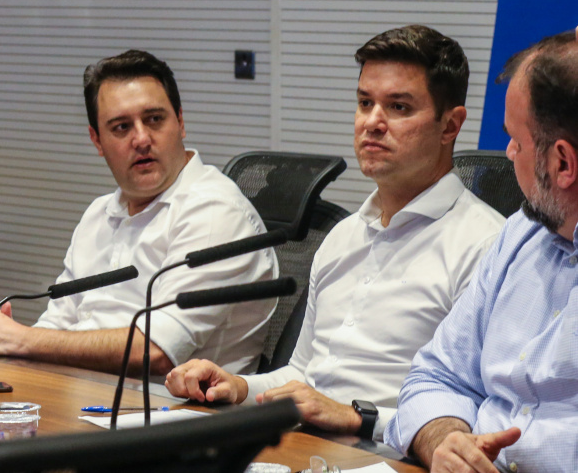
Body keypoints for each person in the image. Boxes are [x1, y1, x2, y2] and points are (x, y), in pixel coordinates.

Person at [164, 25, 506, 442]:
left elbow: (480, 409)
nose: (372, 123)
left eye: (398, 107)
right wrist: (237, 387)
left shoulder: (486, 246)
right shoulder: (344, 235)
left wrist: (357, 417)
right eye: (365, 103)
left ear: (450, 126)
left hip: (393, 456)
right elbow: (304, 374)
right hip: (302, 445)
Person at [0, 49, 276, 376]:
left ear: (180, 122)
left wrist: (20, 340)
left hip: (173, 416)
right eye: (121, 127)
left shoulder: (214, 211)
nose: (141, 139)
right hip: (82, 401)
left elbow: (157, 350)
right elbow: (57, 324)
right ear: (97, 140)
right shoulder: (99, 214)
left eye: (154, 119)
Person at [385, 29, 578, 471]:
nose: (508, 154)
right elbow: (434, 377)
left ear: (563, 163)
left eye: (517, 140)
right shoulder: (519, 236)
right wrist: (446, 440)